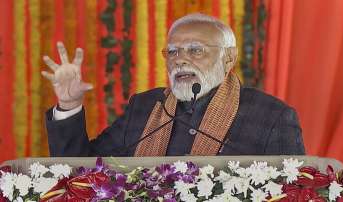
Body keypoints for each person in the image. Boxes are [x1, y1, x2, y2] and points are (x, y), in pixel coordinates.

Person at [42, 13, 305, 157]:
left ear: (228, 58)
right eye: (173, 52)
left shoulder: (271, 116)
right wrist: (68, 105)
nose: (180, 60)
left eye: (195, 50)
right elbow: (82, 171)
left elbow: (293, 192)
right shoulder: (145, 107)